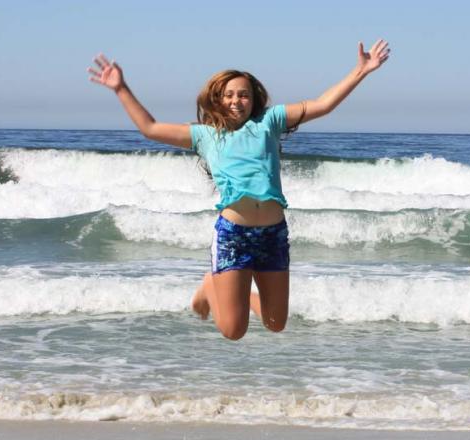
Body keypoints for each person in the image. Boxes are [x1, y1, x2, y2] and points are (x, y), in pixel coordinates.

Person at [88, 40, 390, 340]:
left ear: (253, 99)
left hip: (273, 235)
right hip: (234, 235)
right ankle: (210, 286)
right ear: (217, 99)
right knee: (233, 331)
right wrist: (120, 88)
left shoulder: (270, 121)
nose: (236, 100)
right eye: (229, 95)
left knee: (276, 323)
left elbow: (322, 104)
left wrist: (361, 70)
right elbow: (150, 128)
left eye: (243, 94)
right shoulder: (205, 135)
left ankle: (233, 294)